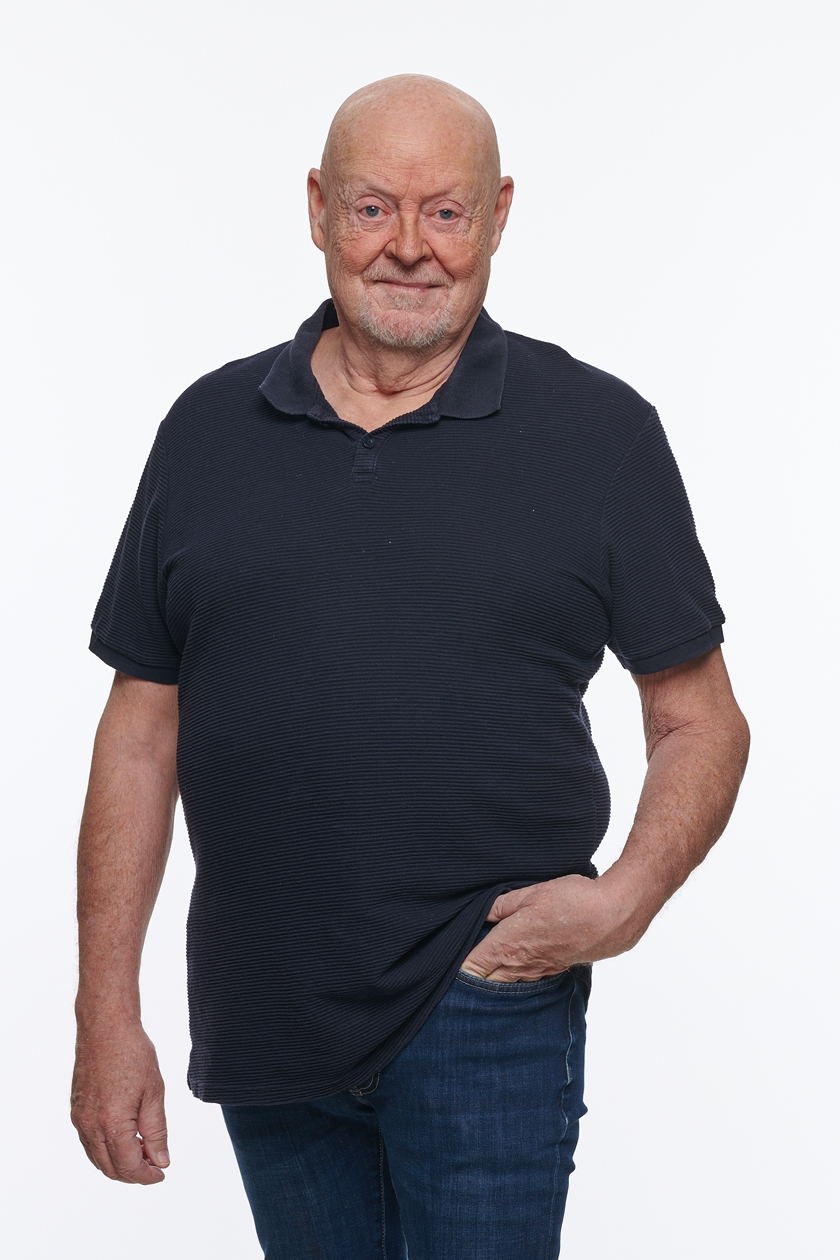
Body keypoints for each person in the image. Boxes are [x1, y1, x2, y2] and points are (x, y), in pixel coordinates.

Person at [71, 74, 749, 1259]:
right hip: (264, 1014)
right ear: (318, 209)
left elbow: (701, 720)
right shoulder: (207, 430)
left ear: (498, 216)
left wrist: (624, 901)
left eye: (446, 212)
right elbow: (139, 729)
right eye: (374, 208)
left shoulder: (597, 434)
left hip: (483, 1003)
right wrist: (105, 1011)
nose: (410, 248)